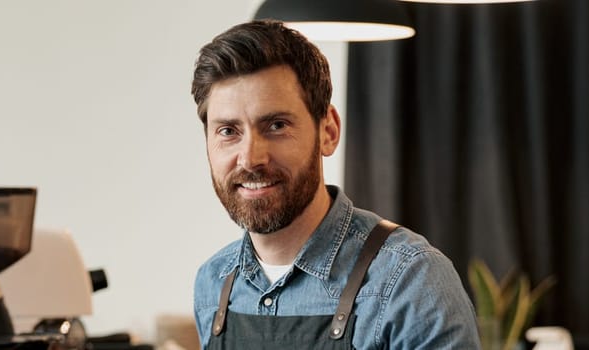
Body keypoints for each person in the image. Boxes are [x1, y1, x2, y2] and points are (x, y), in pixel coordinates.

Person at [190, 20, 481, 349]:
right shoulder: (213, 283)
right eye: (228, 131)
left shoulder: (409, 280)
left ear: (328, 131)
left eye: (276, 125)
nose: (250, 158)